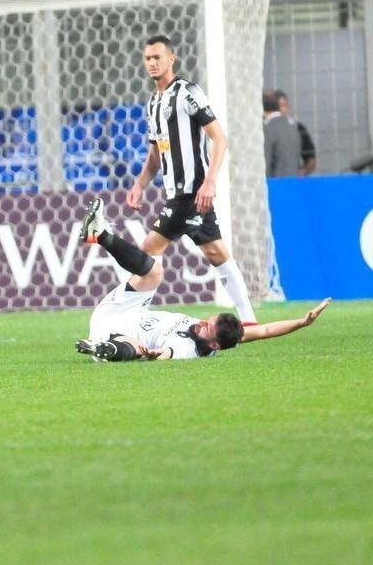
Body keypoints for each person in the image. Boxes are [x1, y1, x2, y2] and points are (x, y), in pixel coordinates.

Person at [76, 197, 329, 361]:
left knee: (137, 348)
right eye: (209, 320)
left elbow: (166, 353)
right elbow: (264, 330)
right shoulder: (224, 335)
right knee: (155, 273)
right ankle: (100, 234)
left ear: (214, 346)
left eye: (208, 327)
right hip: (121, 310)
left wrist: (156, 354)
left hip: (114, 332)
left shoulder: (189, 349)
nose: (203, 322)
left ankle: (105, 348)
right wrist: (302, 322)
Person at [125, 35, 259, 326]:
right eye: (148, 58)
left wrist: (210, 181)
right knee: (216, 252)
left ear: (171, 59)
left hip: (192, 192)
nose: (152, 63)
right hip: (181, 195)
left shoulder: (187, 92)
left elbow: (219, 138)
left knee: (149, 248)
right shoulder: (152, 104)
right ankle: (249, 320)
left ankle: (132, 315)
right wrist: (139, 184)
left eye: (157, 57)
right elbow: (155, 155)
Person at [263, 89, 302, 178]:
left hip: (274, 182)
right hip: (293, 181)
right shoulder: (293, 126)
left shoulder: (268, 128)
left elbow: (266, 163)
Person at [277, 90, 317, 175]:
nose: (280, 110)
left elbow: (311, 159)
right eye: (277, 107)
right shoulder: (263, 130)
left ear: (288, 107)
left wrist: (300, 173)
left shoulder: (298, 128)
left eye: (283, 105)